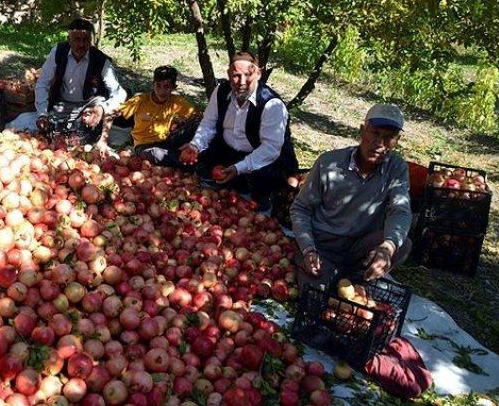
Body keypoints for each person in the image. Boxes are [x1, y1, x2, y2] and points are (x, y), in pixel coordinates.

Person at [290, 104, 412, 290]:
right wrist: (308, 249)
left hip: (359, 246)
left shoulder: (396, 168)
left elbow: (400, 211)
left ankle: (355, 276)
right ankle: (338, 275)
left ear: (397, 140)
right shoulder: (329, 163)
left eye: (389, 138)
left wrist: (388, 246)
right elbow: (301, 208)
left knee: (402, 244)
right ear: (362, 131)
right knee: (318, 294)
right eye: (375, 133)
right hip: (324, 244)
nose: (380, 143)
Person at [179, 52, 297, 205]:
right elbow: (209, 123)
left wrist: (238, 168)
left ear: (259, 74)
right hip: (229, 151)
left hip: (264, 158)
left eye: (248, 75)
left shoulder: (272, 105)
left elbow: (270, 149)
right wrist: (195, 145)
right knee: (191, 149)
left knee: (263, 179)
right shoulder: (221, 92)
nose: (242, 82)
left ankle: (253, 192)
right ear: (228, 74)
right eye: (236, 75)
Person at [7, 19, 126, 140]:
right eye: (77, 39)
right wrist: (42, 114)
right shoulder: (58, 52)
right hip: (64, 105)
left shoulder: (100, 59)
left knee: (95, 129)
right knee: (32, 125)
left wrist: (102, 109)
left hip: (90, 105)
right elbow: (43, 83)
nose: (81, 44)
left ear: (91, 42)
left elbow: (119, 92)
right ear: (69, 39)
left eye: (86, 40)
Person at [96, 65, 197, 163]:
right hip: (144, 146)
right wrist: (103, 140)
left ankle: (190, 155)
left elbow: (199, 118)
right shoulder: (140, 100)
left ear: (173, 87)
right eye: (158, 85)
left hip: (166, 142)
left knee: (195, 124)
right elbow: (111, 114)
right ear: (153, 84)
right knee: (158, 155)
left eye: (166, 87)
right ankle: (187, 163)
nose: (162, 91)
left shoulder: (176, 102)